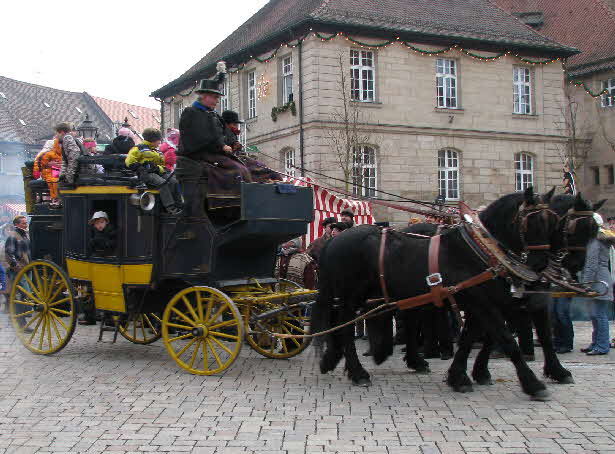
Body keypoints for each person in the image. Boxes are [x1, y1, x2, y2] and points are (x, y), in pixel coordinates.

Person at [177, 73, 252, 219]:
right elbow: (200, 136)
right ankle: (228, 208)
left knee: (248, 166)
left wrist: (233, 143)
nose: (217, 101)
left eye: (218, 98)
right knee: (238, 170)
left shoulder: (214, 115)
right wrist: (222, 146)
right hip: (198, 154)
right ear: (204, 96)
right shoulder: (191, 113)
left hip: (216, 152)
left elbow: (225, 132)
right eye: (215, 97)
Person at [125, 128, 183, 215]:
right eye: (158, 140)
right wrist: (140, 168)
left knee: (173, 181)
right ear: (152, 140)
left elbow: (161, 164)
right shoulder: (139, 148)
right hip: (146, 174)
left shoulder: (157, 150)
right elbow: (129, 161)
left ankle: (179, 205)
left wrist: (161, 169)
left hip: (157, 172)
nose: (160, 142)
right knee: (163, 183)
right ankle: (169, 207)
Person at [580, 213, 614, 355]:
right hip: (599, 279)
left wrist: (585, 283)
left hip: (598, 281)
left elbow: (591, 264)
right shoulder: (597, 239)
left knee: (599, 314)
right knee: (595, 314)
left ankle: (601, 345)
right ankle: (596, 343)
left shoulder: (595, 241)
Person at [222, 110, 282, 183]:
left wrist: (238, 146)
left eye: (236, 124)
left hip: (240, 157)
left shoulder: (232, 133)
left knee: (261, 166)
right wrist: (234, 147)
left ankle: (271, 179)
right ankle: (265, 180)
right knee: (252, 169)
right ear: (227, 124)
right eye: (234, 124)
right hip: (233, 158)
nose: (236, 126)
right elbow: (225, 147)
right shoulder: (224, 132)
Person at [39, 138, 63, 207]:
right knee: (53, 182)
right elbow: (42, 164)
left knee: (54, 182)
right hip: (51, 174)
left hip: (58, 173)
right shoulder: (47, 154)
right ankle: (55, 198)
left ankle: (55, 198)